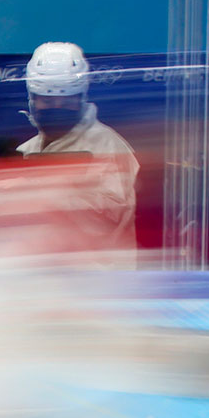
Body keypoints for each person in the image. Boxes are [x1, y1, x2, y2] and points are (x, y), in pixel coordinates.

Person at [18, 42, 139, 261]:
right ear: (32, 99)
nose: (56, 106)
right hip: (43, 280)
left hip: (97, 281)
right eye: (47, 100)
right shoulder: (26, 151)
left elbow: (104, 219)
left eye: (66, 100)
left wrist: (31, 192)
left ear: (81, 97)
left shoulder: (107, 148)